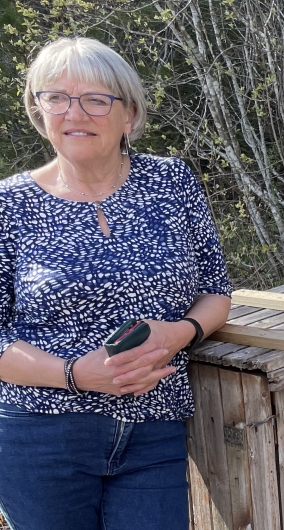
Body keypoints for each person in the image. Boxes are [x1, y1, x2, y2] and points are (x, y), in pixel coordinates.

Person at [0, 37, 232, 530]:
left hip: (155, 427)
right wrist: (75, 374)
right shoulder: (10, 204)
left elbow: (216, 290)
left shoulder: (172, 182)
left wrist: (182, 332)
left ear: (129, 114)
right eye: (56, 97)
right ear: (38, 111)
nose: (74, 112)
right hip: (41, 436)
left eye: (96, 99)